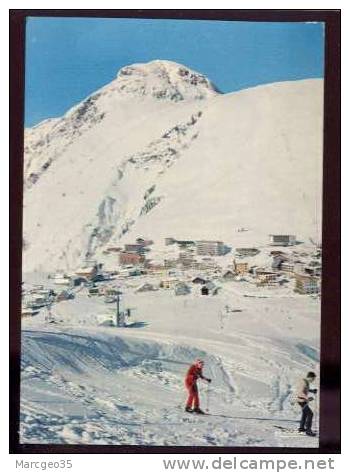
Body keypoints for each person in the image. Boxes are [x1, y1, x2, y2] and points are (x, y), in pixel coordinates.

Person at [296, 371, 318, 436]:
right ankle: (308, 431)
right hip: (301, 400)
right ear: (310, 377)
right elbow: (300, 392)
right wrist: (307, 398)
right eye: (313, 379)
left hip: (303, 400)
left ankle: (301, 428)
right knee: (310, 414)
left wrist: (312, 390)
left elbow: (305, 389)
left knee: (305, 413)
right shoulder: (303, 382)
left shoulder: (306, 382)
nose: (313, 380)